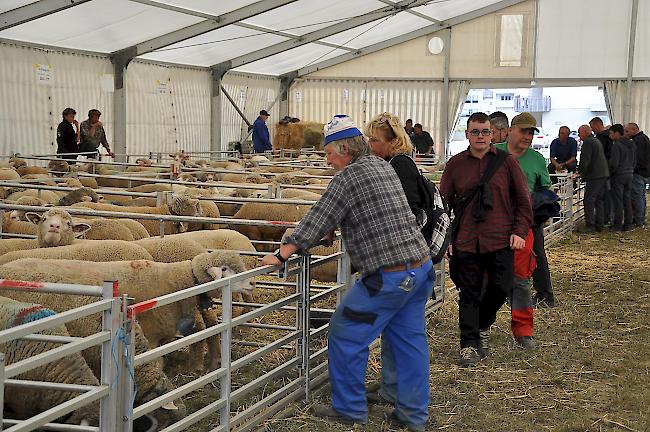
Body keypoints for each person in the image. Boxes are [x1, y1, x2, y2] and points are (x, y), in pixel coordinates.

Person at [261, 115, 433, 431]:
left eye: (328, 153)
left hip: (388, 277)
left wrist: (281, 253)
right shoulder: (384, 166)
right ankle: (413, 415)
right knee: (409, 342)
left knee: (345, 332)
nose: (327, 160)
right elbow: (370, 210)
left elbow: (317, 218)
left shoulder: (346, 178)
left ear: (344, 149)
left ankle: (350, 408)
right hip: (419, 268)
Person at [440, 112, 533, 367]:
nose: (480, 136)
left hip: (500, 238)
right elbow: (443, 203)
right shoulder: (455, 164)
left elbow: (524, 201)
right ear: (467, 134)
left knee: (500, 287)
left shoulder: (507, 163)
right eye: (475, 132)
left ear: (493, 134)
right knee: (468, 291)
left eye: (485, 132)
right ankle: (469, 345)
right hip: (467, 239)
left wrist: (519, 231)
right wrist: (446, 237)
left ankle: (480, 323)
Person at [364, 112, 434, 410]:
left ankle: (406, 398)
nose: (370, 145)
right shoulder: (394, 164)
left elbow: (411, 211)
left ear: (392, 142)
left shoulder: (400, 165)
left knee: (403, 331)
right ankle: (393, 388)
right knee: (396, 328)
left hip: (404, 261)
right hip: (406, 260)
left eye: (375, 140)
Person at [494, 112, 551, 346]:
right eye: (524, 131)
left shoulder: (537, 159)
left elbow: (545, 191)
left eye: (531, 132)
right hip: (493, 224)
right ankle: (479, 330)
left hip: (525, 225)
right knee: (486, 276)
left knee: (522, 277)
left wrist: (542, 215)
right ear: (510, 130)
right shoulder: (492, 152)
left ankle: (523, 330)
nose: (528, 136)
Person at [575, 124, 610, 232]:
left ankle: (590, 225)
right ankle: (599, 224)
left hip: (595, 175)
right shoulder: (595, 140)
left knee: (589, 200)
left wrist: (579, 172)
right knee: (599, 200)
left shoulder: (588, 142)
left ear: (585, 132)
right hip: (602, 174)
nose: (579, 136)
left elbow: (586, 160)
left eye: (579, 133)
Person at [608, 124, 636, 231]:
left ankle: (618, 224)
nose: (610, 136)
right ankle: (628, 223)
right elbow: (634, 161)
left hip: (619, 175)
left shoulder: (616, 145)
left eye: (611, 133)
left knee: (618, 200)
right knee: (627, 199)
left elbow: (614, 163)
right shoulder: (631, 144)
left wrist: (611, 173)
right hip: (630, 173)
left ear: (617, 133)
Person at [624, 122, 649, 227]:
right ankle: (640, 218)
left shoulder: (637, 141)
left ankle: (639, 220)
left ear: (634, 130)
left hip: (638, 172)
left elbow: (636, 158)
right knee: (641, 196)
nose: (625, 133)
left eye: (627, 131)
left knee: (637, 196)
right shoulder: (644, 138)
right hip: (644, 172)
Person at [590, 117, 614, 224]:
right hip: (610, 169)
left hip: (601, 171)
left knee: (602, 197)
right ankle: (607, 217)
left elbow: (598, 156)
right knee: (607, 195)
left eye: (592, 127)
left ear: (597, 125)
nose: (592, 130)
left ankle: (604, 218)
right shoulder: (610, 136)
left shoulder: (600, 138)